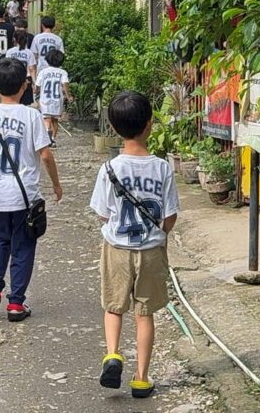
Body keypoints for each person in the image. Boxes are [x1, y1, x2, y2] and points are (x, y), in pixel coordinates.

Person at [89, 91, 179, 400]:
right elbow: (170, 216)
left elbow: (103, 213)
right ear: (149, 124)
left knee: (114, 307)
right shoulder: (162, 168)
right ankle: (141, 379)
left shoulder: (109, 169)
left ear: (114, 128)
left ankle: (113, 354)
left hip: (117, 248)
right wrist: (160, 233)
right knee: (144, 313)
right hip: (151, 250)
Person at [0, 58, 63, 322]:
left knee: (1, 238)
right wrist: (56, 184)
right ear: (24, 86)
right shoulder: (32, 116)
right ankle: (16, 303)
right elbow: (45, 155)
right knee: (23, 246)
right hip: (25, 196)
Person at [36, 49, 72, 146]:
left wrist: (36, 91)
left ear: (47, 60)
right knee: (55, 120)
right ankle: (53, 139)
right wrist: (68, 96)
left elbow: (37, 85)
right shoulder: (63, 72)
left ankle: (48, 132)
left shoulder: (43, 72)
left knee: (46, 119)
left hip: (45, 99)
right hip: (57, 100)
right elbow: (65, 84)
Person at [6, 29, 37, 107]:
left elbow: (7, 65)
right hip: (26, 79)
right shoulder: (29, 53)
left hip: (13, 77)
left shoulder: (10, 52)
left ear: (14, 39)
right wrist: (34, 82)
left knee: (13, 100)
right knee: (26, 103)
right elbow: (32, 69)